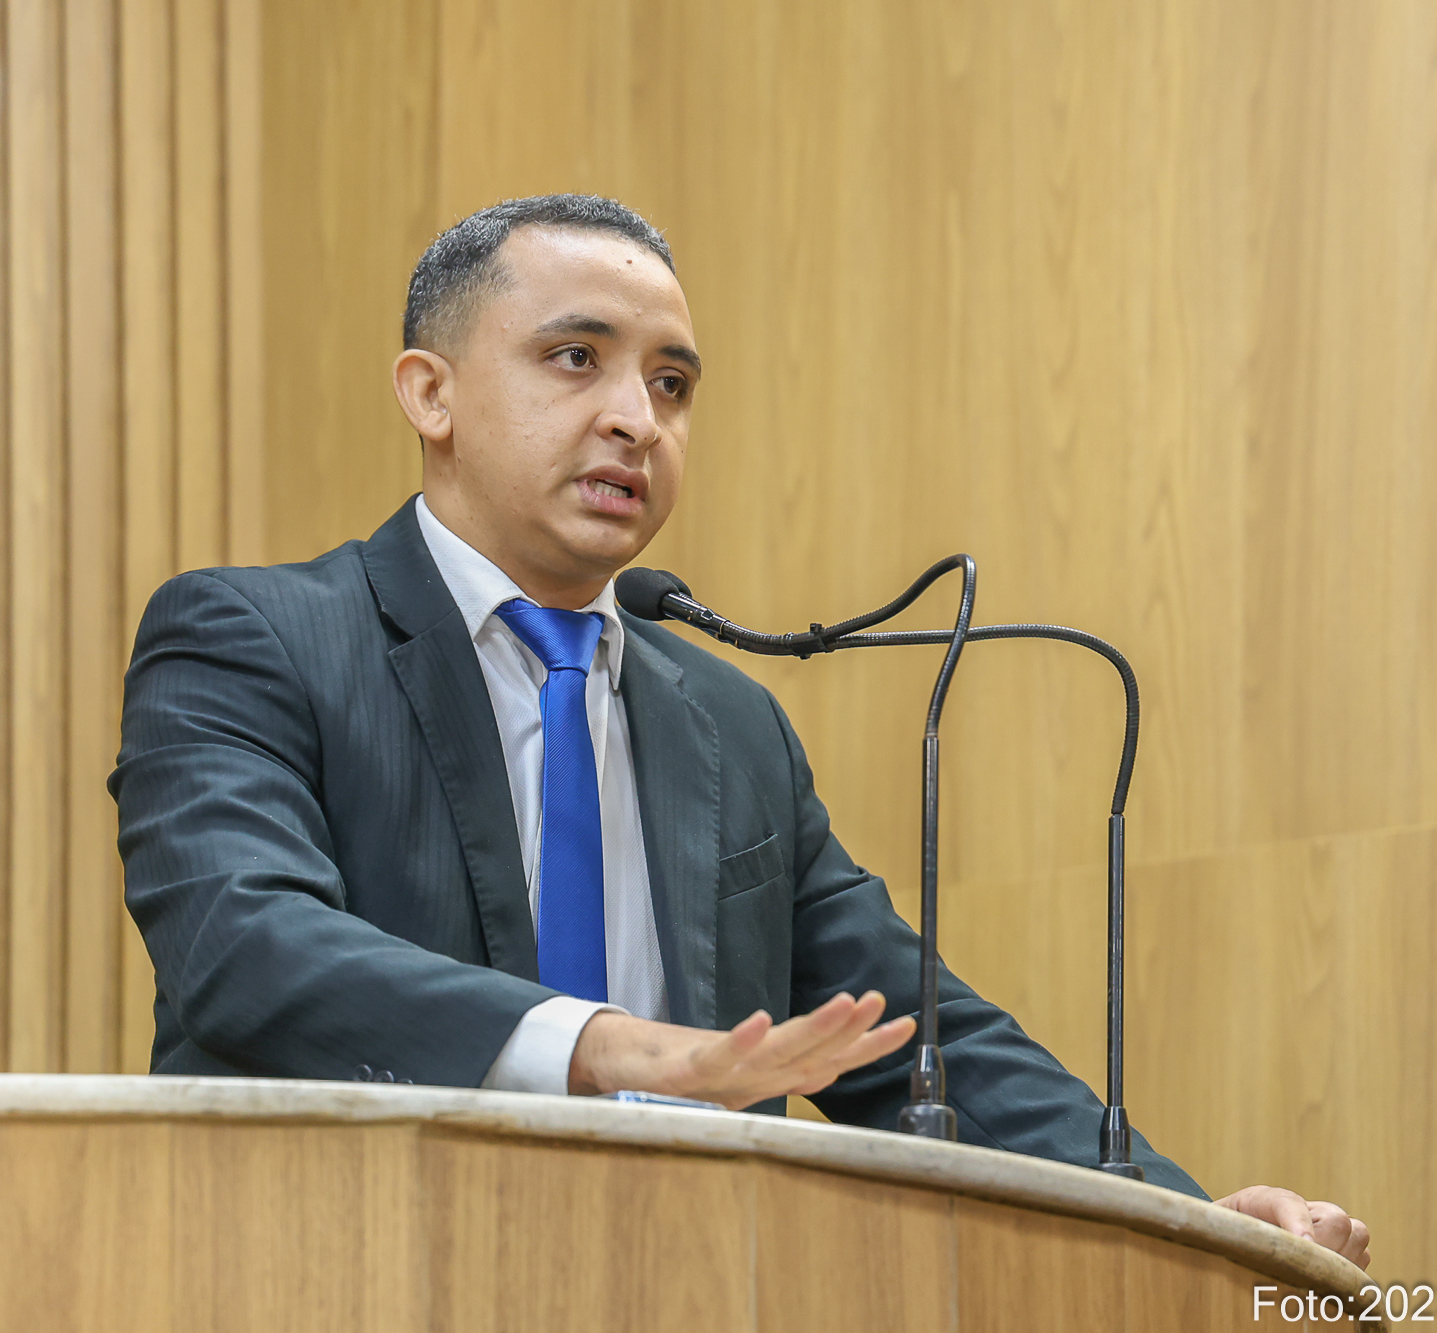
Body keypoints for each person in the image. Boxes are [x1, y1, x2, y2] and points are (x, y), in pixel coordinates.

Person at [111, 194, 1370, 1270]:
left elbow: (907, 1039)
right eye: (575, 358)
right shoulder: (257, 637)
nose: (636, 418)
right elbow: (245, 944)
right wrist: (619, 1050)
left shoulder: (724, 722)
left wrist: (1185, 1217)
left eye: (670, 384)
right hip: (342, 1270)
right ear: (429, 393)